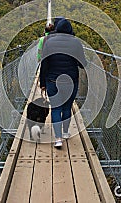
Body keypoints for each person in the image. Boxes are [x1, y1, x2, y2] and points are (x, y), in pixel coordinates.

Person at [39, 18, 87, 148]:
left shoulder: (49, 42)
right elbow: (83, 64)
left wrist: (42, 82)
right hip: (71, 81)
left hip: (52, 81)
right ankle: (65, 132)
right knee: (67, 107)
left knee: (56, 108)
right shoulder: (76, 43)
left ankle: (58, 139)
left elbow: (44, 64)